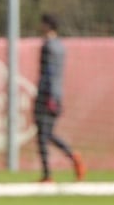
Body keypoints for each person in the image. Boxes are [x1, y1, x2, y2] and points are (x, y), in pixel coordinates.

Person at [33, 13, 85, 182]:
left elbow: (47, 74)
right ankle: (70, 158)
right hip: (56, 94)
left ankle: (49, 174)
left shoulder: (48, 46)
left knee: (43, 136)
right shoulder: (61, 47)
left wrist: (45, 96)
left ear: (48, 26)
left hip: (47, 96)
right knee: (47, 134)